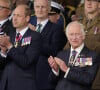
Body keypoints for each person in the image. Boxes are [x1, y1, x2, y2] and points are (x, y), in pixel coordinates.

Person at [48, 21, 100, 90]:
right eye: (71, 34)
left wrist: (66, 70)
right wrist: (55, 70)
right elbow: (51, 81)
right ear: (67, 37)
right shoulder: (61, 54)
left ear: (83, 36)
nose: (74, 38)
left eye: (77, 34)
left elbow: (87, 79)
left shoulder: (91, 56)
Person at [0, 5, 41, 90]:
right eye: (14, 15)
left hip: (23, 84)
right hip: (5, 83)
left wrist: (9, 46)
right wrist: (3, 52)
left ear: (27, 18)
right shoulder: (9, 35)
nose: (14, 18)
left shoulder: (35, 36)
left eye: (18, 16)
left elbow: (26, 62)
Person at [33, 0, 67, 90]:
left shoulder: (56, 29)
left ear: (49, 9)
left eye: (43, 7)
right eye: (37, 7)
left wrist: (35, 37)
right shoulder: (27, 27)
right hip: (25, 77)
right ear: (34, 9)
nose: (40, 9)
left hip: (43, 77)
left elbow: (55, 51)